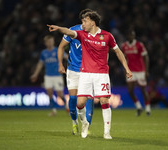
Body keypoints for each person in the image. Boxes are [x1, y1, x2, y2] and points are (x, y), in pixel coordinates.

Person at [47, 11, 132, 139]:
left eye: (85, 21)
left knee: (104, 100)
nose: (83, 24)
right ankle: (84, 123)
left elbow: (118, 52)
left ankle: (107, 132)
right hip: (85, 74)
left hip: (102, 74)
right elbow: (69, 32)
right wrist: (59, 28)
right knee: (80, 103)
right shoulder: (82, 35)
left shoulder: (107, 36)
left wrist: (127, 68)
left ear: (92, 23)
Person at [57, 9, 94, 135]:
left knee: (88, 99)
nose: (87, 22)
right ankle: (74, 123)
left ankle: (86, 126)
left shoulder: (95, 33)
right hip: (73, 70)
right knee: (73, 99)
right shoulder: (73, 30)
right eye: (85, 19)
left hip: (88, 71)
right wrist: (61, 64)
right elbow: (61, 46)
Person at [30, 35, 67, 116]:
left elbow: (66, 57)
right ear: (45, 43)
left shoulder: (58, 50)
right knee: (49, 92)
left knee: (60, 94)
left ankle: (67, 107)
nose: (50, 43)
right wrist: (35, 74)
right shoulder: (44, 53)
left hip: (57, 75)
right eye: (48, 41)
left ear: (53, 42)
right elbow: (40, 64)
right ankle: (53, 111)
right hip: (48, 76)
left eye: (51, 41)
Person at [121, 30, 151, 116]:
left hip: (140, 70)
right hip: (130, 71)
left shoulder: (139, 45)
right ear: (127, 36)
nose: (131, 36)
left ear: (134, 36)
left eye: (132, 35)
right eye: (129, 35)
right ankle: (138, 107)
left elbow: (146, 57)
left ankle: (148, 109)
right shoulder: (124, 46)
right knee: (130, 90)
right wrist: (125, 70)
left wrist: (146, 70)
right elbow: (124, 59)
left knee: (143, 89)